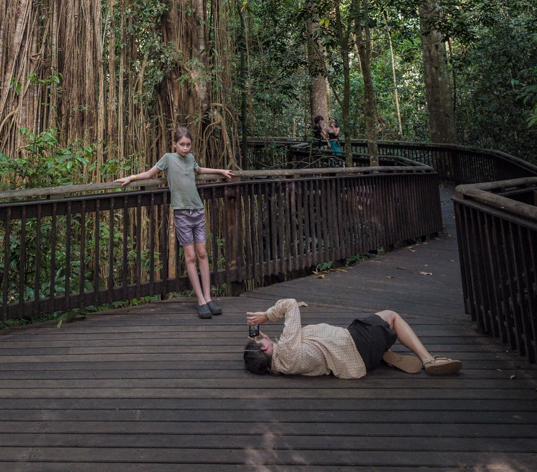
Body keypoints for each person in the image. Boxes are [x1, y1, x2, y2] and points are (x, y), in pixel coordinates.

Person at [115, 125, 232, 318]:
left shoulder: (191, 159)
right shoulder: (168, 158)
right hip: (181, 213)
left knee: (202, 253)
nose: (185, 148)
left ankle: (209, 298)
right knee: (190, 256)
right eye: (182, 145)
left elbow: (200, 169)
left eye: (188, 145)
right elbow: (150, 174)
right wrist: (132, 177)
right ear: (174, 144)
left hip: (198, 210)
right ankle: (200, 301)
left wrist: (220, 171)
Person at [244, 298, 462, 377]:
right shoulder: (288, 350)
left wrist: (273, 342)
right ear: (264, 350)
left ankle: (382, 355)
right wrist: (267, 316)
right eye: (262, 342)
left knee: (356, 328)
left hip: (355, 363)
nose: (265, 339)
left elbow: (289, 346)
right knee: (391, 316)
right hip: (355, 341)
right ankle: (428, 360)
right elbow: (291, 304)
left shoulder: (282, 366)